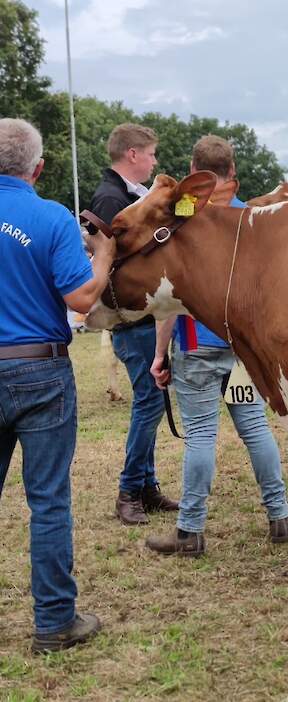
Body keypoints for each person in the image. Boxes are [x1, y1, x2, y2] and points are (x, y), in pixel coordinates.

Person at [145, 135, 288, 556]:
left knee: (200, 436)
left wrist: (159, 354)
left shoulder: (188, 219)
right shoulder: (252, 218)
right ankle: (279, 515)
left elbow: (172, 295)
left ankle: (190, 531)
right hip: (243, 346)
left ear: (196, 175)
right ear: (234, 173)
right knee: (256, 429)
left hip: (195, 343)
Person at [0, 118, 115, 651]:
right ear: (38, 169)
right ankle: (53, 623)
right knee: (47, 501)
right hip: (39, 367)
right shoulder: (50, 218)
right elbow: (81, 301)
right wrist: (105, 255)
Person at [89, 123, 179, 525]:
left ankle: (146, 485)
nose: (155, 160)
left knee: (152, 400)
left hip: (142, 317)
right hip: (131, 319)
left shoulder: (125, 196)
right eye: (151, 153)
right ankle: (129, 490)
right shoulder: (111, 200)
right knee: (148, 400)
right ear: (132, 155)